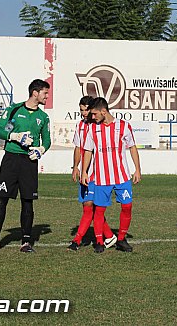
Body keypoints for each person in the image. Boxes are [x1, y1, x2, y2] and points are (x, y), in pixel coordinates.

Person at [0, 79, 51, 253]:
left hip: (29, 162)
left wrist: (41, 150)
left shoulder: (43, 117)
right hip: (11, 160)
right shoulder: (15, 110)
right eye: (45, 93)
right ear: (35, 93)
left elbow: (48, 140)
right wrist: (15, 136)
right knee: (1, 200)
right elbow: (0, 130)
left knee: (27, 201)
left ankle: (26, 243)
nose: (47, 96)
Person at [81, 97, 141, 253]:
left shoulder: (123, 126)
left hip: (122, 177)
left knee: (127, 207)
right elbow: (88, 151)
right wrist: (84, 172)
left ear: (103, 111)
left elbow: (132, 148)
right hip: (101, 178)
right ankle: (100, 241)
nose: (92, 117)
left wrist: (138, 170)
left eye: (94, 114)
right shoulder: (92, 129)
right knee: (99, 210)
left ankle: (121, 239)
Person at [68, 96, 117, 251]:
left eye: (86, 110)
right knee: (88, 206)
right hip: (85, 171)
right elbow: (78, 147)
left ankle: (79, 240)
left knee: (91, 205)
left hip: (97, 173)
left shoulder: (99, 126)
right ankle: (108, 236)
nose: (84, 113)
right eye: (81, 110)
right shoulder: (81, 125)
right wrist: (76, 166)